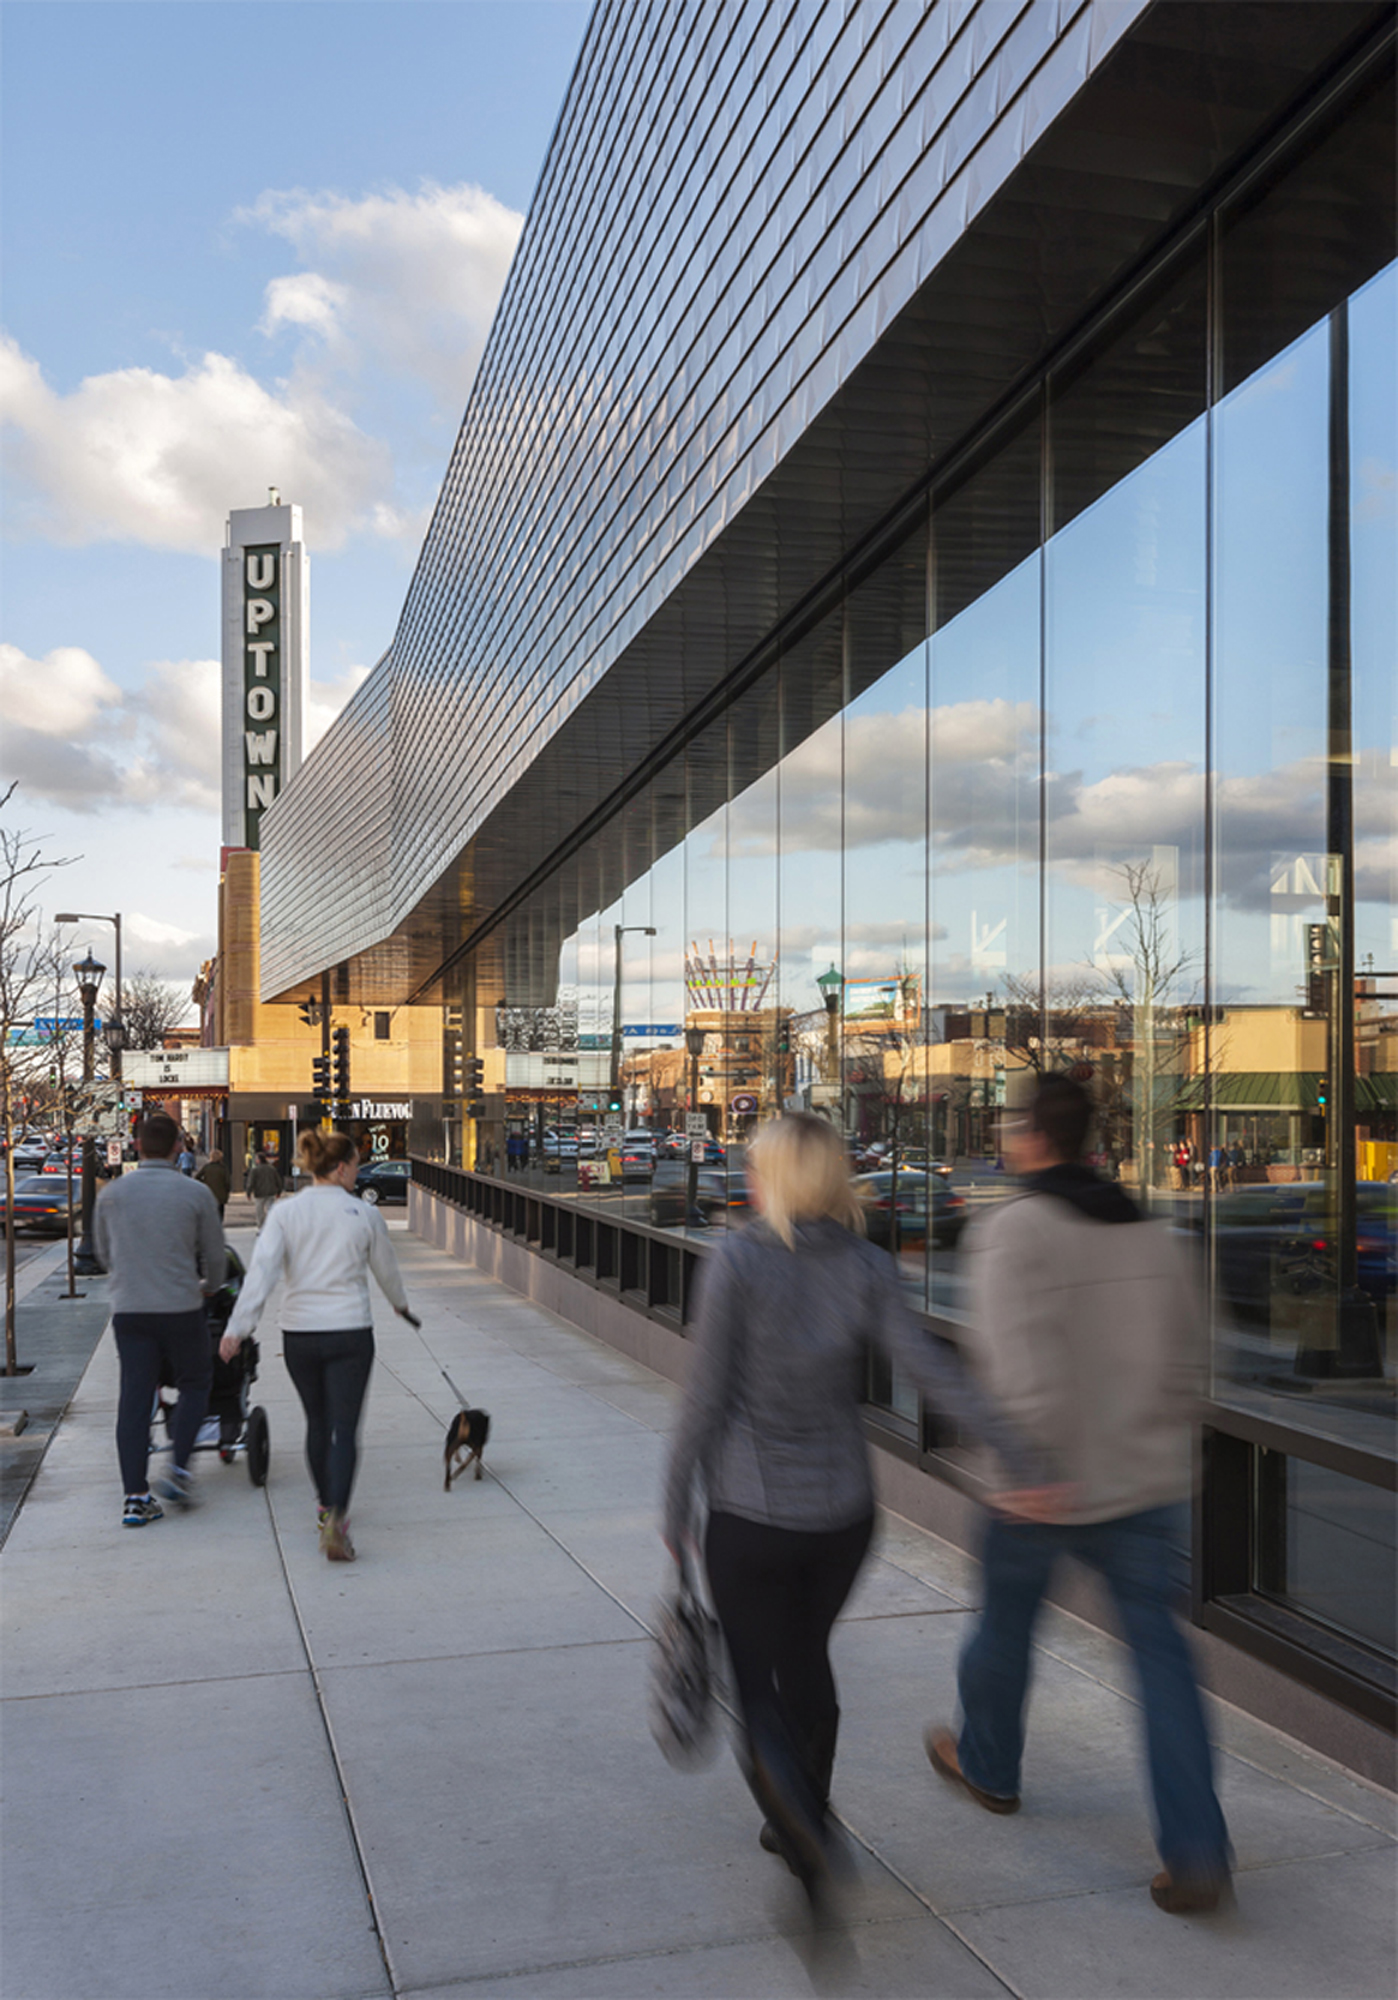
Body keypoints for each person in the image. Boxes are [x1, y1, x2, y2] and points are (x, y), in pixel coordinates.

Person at [661, 1113, 1043, 1910]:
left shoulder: (736, 1262)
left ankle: (797, 1818)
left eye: (758, 1168)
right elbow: (931, 1369)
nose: (750, 1181)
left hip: (750, 1511)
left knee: (756, 1685)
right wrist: (1015, 1451)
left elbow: (702, 1404)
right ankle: (809, 1805)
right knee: (806, 1655)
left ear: (781, 1178)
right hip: (842, 1516)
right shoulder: (869, 1267)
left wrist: (674, 1507)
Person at [927, 1076, 1230, 1915]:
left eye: (1010, 1127)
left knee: (1004, 1628)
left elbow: (1011, 1365)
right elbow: (1191, 1364)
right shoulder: (1155, 1234)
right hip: (1141, 1482)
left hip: (1044, 1485)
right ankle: (1197, 1847)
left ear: (1031, 1136)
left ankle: (988, 1766)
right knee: (1161, 1659)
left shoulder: (1013, 1229)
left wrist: (1024, 1471)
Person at [220, 1128, 414, 1562]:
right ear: (342, 1168)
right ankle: (336, 1520)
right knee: (344, 1430)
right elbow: (386, 1269)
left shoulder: (286, 1214)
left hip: (300, 1335)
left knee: (316, 1421)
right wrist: (400, 1305)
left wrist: (237, 1329)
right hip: (350, 1332)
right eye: (358, 1164)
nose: (359, 1171)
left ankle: (324, 1505)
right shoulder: (362, 1213)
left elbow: (262, 1275)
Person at [92, 1111, 226, 1527]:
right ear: (177, 1147)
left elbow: (102, 1254)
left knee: (134, 1398)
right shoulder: (195, 1193)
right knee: (195, 1381)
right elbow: (216, 1258)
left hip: (130, 1310)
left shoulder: (112, 1194)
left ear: (136, 1145)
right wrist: (209, 1285)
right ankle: (180, 1469)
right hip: (181, 1307)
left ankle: (135, 1496)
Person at [245, 1150, 285, 1230]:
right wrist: (279, 1191)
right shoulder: (272, 1169)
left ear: (259, 1160)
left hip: (259, 1193)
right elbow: (278, 1180)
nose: (255, 1160)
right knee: (270, 1210)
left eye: (256, 1159)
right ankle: (272, 1225)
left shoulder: (255, 1170)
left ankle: (261, 1227)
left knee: (260, 1211)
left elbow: (251, 1182)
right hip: (270, 1192)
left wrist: (248, 1193)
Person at [196, 1147, 230, 1217]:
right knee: (220, 1213)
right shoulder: (223, 1168)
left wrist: (204, 1182)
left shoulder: (207, 1167)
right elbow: (227, 1182)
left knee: (210, 1213)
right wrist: (227, 1191)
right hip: (221, 1195)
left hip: (209, 1193)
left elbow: (197, 1177)